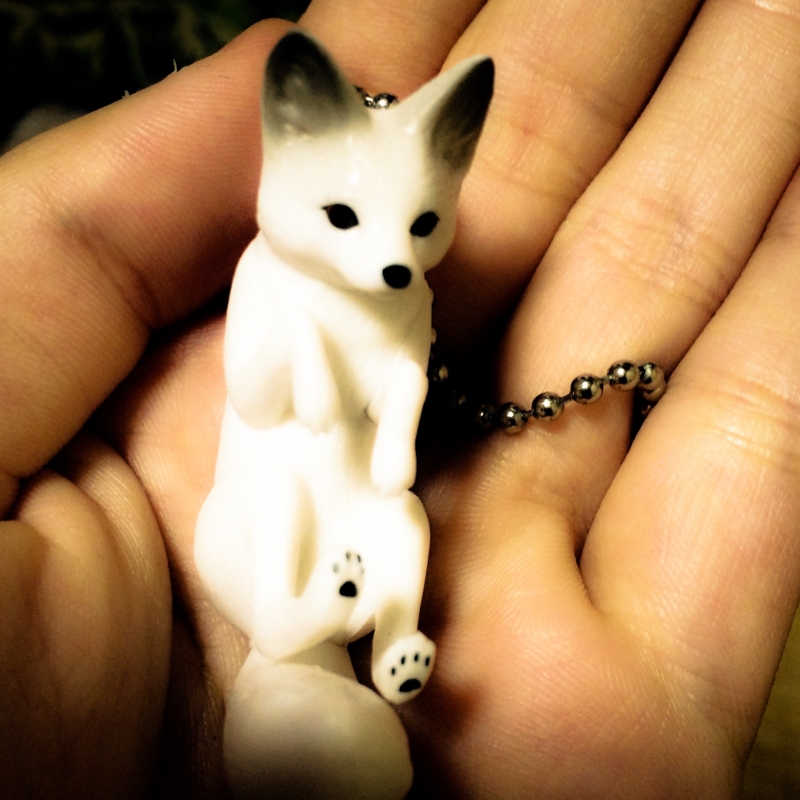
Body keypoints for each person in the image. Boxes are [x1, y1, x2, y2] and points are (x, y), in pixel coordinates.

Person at [2, 0, 800, 796]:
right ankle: (289, 624)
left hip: (351, 522)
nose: (391, 256)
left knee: (403, 522)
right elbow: (255, 392)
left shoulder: (406, 296)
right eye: (345, 218)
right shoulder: (267, 277)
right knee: (282, 500)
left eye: (419, 225)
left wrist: (394, 433)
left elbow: (402, 376)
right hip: (261, 529)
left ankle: (390, 646)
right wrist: (309, 353)